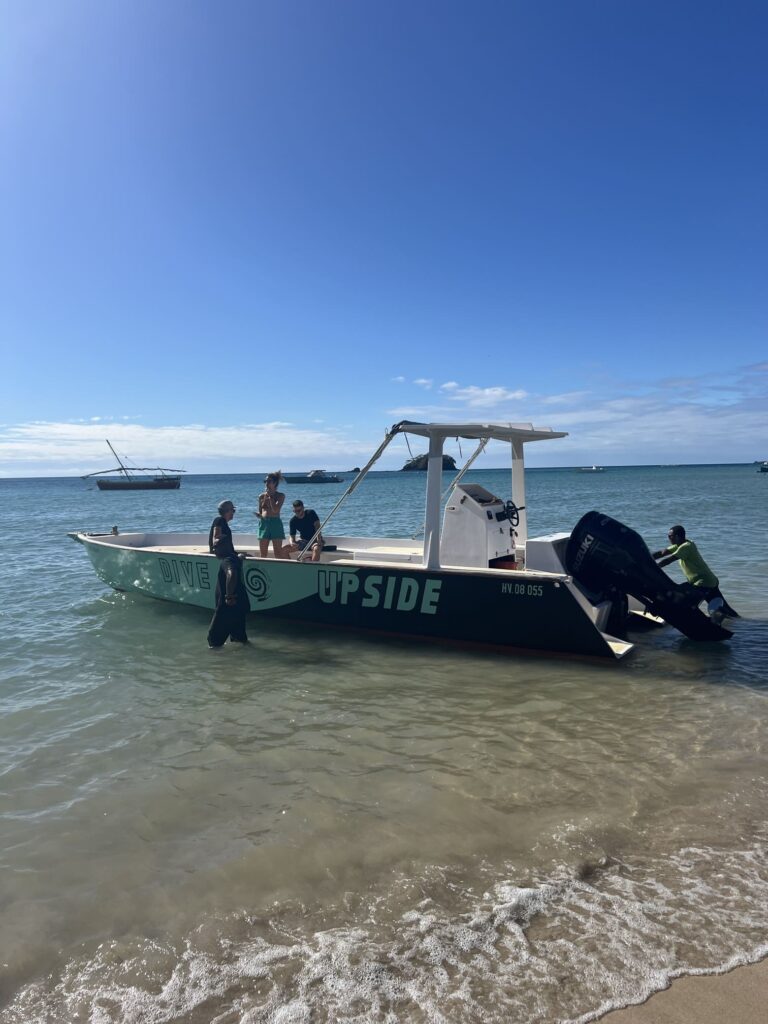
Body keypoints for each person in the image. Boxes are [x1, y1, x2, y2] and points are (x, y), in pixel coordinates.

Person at [652, 525, 738, 623]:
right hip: (707, 582)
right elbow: (662, 553)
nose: (668, 538)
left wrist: (652, 568)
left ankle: (695, 621)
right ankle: (740, 623)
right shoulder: (681, 545)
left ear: (677, 537)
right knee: (726, 610)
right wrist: (646, 557)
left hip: (703, 583)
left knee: (680, 596)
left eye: (670, 536)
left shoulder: (686, 547)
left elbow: (668, 560)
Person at [207, 499, 250, 647]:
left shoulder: (228, 559)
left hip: (232, 601)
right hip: (236, 600)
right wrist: (217, 541)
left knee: (217, 639)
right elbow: (216, 536)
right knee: (235, 634)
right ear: (227, 511)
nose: (234, 513)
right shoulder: (219, 520)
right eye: (233, 510)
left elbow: (231, 571)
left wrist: (238, 555)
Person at [256, 472, 289, 558]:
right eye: (265, 481)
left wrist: (270, 497)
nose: (266, 483)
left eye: (269, 481)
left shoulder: (280, 496)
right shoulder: (261, 496)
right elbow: (260, 511)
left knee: (278, 553)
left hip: (275, 523)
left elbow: (276, 510)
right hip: (264, 524)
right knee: (263, 553)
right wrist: (259, 515)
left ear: (275, 483)